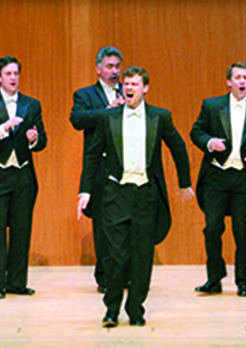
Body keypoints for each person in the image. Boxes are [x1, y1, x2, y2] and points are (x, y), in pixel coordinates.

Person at [77, 66, 193, 328]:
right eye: (126, 84)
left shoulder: (160, 117)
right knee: (115, 256)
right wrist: (84, 190)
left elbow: (178, 147)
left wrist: (185, 183)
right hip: (115, 193)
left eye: (134, 84)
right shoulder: (109, 118)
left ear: (145, 88)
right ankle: (112, 309)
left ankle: (136, 308)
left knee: (142, 256)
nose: (128, 88)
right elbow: (93, 155)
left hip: (146, 195)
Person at [191, 62, 246, 297]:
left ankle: (243, 281)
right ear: (229, 82)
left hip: (243, 178)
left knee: (241, 228)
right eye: (237, 77)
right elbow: (196, 131)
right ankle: (214, 279)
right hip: (216, 176)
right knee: (212, 228)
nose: (242, 81)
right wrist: (209, 143)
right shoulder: (211, 106)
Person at [0, 56, 47, 299]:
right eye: (8, 73)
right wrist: (3, 128)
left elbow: (42, 139)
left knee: (21, 229)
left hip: (23, 174)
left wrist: (35, 140)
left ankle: (17, 282)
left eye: (16, 73)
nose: (13, 77)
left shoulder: (32, 104)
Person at [70, 46, 124, 293]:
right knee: (102, 223)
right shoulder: (85, 95)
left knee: (124, 222)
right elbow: (77, 119)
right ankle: (104, 276)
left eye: (117, 67)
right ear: (98, 69)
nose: (115, 72)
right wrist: (107, 111)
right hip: (100, 166)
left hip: (125, 165)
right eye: (110, 67)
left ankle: (125, 273)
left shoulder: (129, 91)